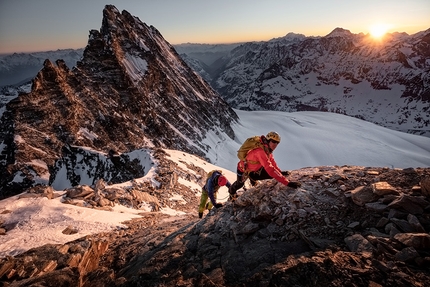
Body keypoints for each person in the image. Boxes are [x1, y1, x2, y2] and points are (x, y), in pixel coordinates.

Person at [228, 131, 301, 200]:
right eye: (273, 141)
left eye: (277, 143)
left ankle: (252, 180)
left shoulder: (267, 150)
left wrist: (280, 172)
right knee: (239, 184)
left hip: (255, 169)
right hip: (243, 169)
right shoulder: (260, 152)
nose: (275, 144)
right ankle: (231, 192)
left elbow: (272, 163)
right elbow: (270, 168)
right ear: (268, 141)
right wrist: (287, 183)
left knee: (270, 174)